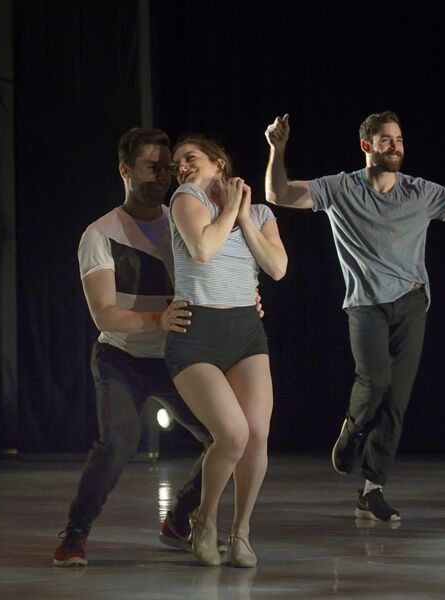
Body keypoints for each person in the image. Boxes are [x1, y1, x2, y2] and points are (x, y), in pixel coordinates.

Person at [264, 112, 445, 522]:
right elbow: (279, 194)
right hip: (365, 303)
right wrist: (277, 149)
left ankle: (372, 490)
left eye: (398, 139)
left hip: (412, 302)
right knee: (375, 381)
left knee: (397, 400)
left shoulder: (419, 191)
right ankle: (353, 429)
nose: (395, 146)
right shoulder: (341, 188)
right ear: (367, 146)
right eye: (386, 140)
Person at [53, 127, 223, 567]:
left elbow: (217, 277)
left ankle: (179, 520)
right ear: (124, 170)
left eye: (167, 167)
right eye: (152, 167)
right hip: (121, 358)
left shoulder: (183, 219)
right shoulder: (100, 234)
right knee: (117, 444)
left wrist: (247, 297)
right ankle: (75, 533)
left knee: (228, 438)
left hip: (175, 358)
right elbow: (104, 314)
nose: (163, 176)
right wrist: (157, 319)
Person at [166, 134, 287, 567]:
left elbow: (277, 268)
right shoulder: (186, 198)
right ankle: (205, 519)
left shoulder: (259, 213)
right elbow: (202, 249)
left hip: (246, 333)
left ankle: (241, 533)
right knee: (232, 435)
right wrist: (231, 211)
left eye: (190, 158)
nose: (182, 167)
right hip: (196, 332)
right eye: (177, 163)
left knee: (257, 435)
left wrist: (245, 217)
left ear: (219, 162)